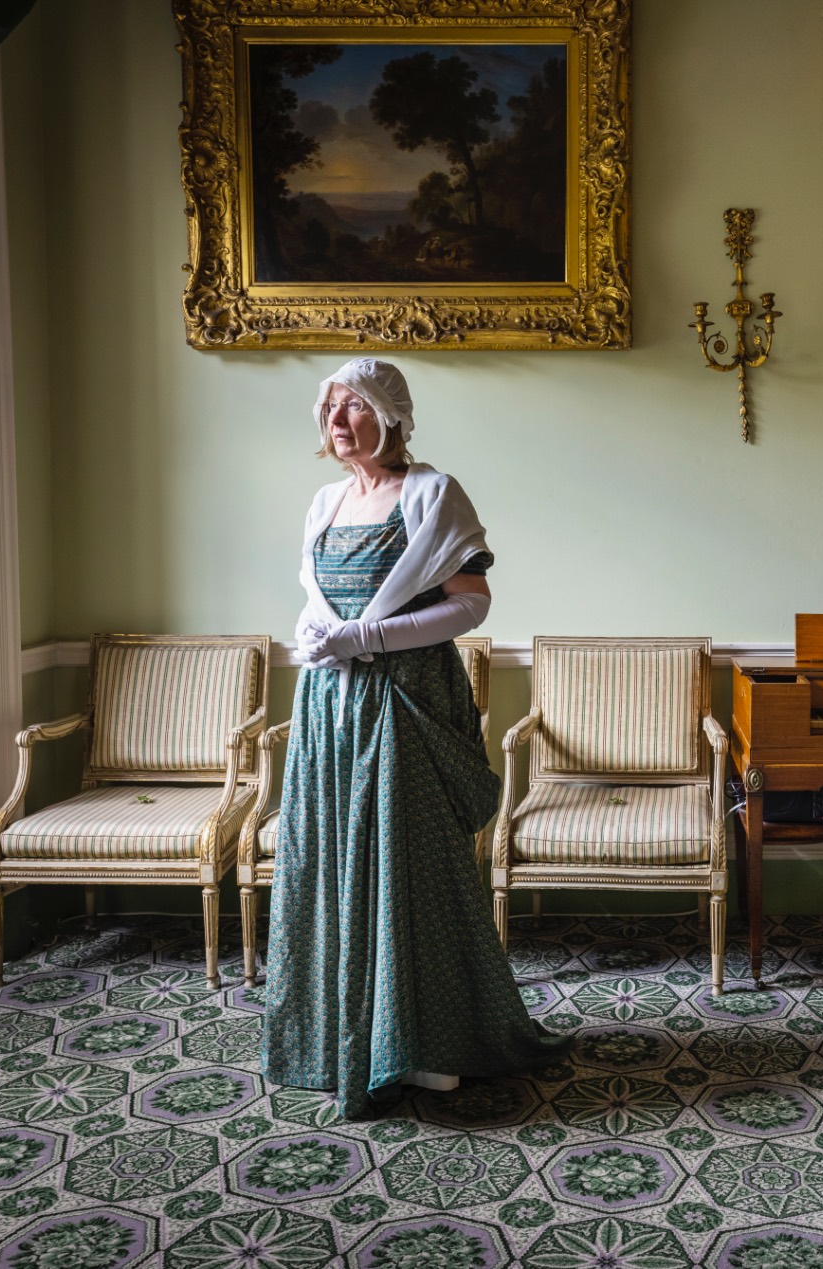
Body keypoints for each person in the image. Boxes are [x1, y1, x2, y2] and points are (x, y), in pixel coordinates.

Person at [262, 357, 569, 1119]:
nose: (335, 420)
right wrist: (317, 633)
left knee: (406, 866)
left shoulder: (432, 493)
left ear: (391, 416)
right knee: (331, 859)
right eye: (328, 407)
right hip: (330, 708)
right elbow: (317, 595)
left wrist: (371, 634)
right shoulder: (326, 502)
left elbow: (471, 603)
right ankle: (344, 1034)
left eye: (353, 406)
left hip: (406, 702)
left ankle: (427, 1042)